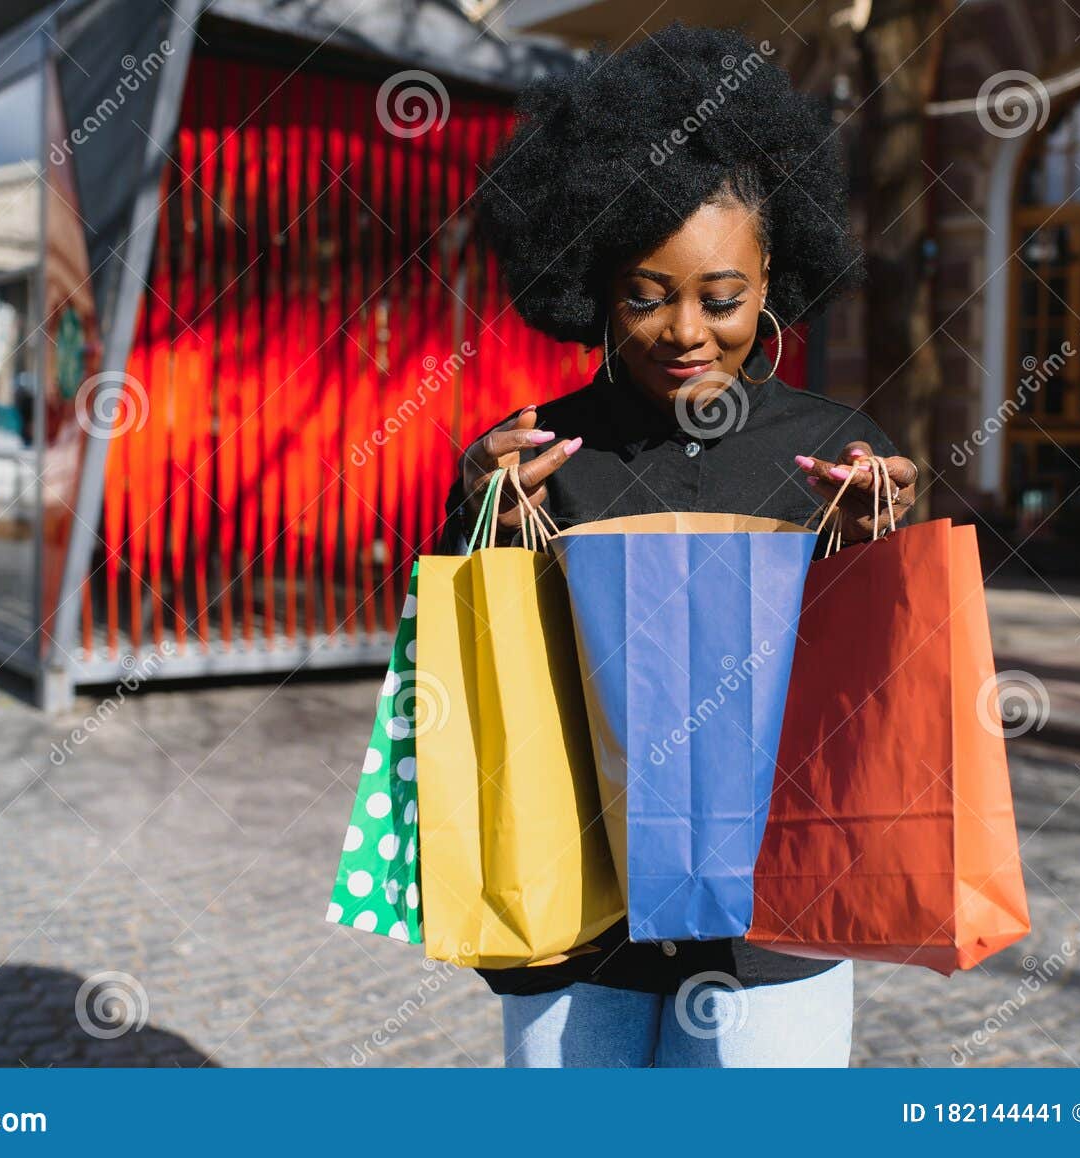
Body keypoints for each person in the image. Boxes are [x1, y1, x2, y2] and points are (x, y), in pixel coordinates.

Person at [437, 24, 918, 1068]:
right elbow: (475, 666)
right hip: (578, 909)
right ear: (597, 284)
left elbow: (879, 686)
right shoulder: (539, 454)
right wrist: (481, 522)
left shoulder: (841, 452)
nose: (685, 330)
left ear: (772, 273)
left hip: (771, 923)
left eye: (722, 296)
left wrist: (880, 544)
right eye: (644, 296)